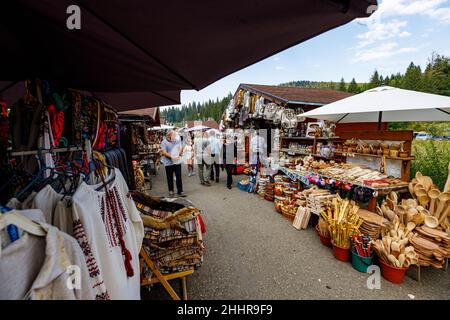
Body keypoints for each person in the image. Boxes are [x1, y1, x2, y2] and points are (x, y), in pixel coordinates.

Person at [160, 130, 186, 197]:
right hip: (168, 163)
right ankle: (171, 190)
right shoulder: (164, 142)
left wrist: (180, 151)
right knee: (170, 177)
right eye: (173, 135)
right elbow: (164, 152)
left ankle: (180, 191)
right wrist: (172, 157)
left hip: (177, 162)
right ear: (169, 135)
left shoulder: (176, 141)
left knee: (178, 176)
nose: (174, 136)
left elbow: (180, 148)